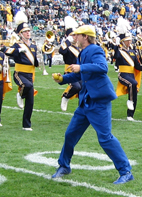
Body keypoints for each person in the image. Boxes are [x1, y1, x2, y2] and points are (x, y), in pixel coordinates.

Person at [51, 25, 134, 185]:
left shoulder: (95, 50)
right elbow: (80, 75)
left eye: (78, 35)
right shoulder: (82, 52)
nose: (75, 37)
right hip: (86, 101)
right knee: (70, 134)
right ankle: (64, 165)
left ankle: (125, 171)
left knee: (105, 138)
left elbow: (102, 68)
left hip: (98, 101)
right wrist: (62, 79)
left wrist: (81, 67)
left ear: (86, 37)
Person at [7, 20, 38, 130]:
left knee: (30, 102)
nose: (28, 33)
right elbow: (7, 51)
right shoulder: (17, 45)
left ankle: (26, 125)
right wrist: (19, 50)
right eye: (25, 32)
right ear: (20, 34)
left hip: (30, 74)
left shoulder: (33, 46)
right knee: (27, 86)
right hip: (19, 73)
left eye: (28, 31)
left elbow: (33, 60)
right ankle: (20, 95)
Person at [114, 32, 142, 120]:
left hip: (131, 75)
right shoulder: (120, 51)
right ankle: (130, 101)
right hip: (123, 74)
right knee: (133, 84)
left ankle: (130, 115)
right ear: (123, 42)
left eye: (130, 40)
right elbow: (116, 56)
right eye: (127, 41)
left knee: (134, 91)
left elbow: (137, 66)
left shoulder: (132, 52)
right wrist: (116, 45)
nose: (129, 42)